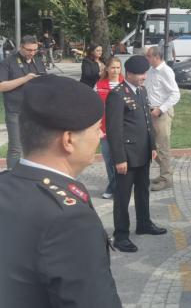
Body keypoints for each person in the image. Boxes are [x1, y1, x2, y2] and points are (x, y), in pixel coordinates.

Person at [0, 75, 122, 307]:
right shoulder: (70, 220)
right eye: (97, 128)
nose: (101, 135)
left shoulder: (6, 184)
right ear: (68, 140)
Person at [106, 55, 166, 253]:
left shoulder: (141, 90)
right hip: (127, 156)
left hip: (143, 152)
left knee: (143, 190)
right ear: (129, 74)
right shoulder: (117, 95)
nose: (144, 77)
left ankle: (144, 223)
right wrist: (119, 158)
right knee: (122, 197)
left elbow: (147, 121)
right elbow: (114, 130)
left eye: (145, 73)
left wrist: (152, 146)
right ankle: (121, 235)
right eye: (141, 74)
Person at [0, 35, 47, 169]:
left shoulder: (38, 61)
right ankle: (12, 176)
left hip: (34, 110)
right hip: (15, 111)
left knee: (36, 146)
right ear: (21, 47)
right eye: (29, 50)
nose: (32, 53)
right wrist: (25, 79)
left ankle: (32, 175)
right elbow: (2, 86)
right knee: (16, 147)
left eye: (35, 50)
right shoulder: (7, 62)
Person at [145, 46, 181, 191]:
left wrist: (160, 109)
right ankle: (165, 173)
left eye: (148, 56)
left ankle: (166, 178)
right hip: (150, 111)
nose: (146, 58)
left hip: (161, 113)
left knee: (162, 147)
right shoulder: (151, 70)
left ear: (156, 57)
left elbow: (175, 94)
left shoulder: (166, 71)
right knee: (151, 146)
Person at [95, 56, 124, 199]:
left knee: (121, 159)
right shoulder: (99, 85)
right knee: (109, 160)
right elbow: (94, 108)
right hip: (105, 130)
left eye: (118, 67)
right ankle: (113, 186)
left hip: (122, 130)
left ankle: (121, 186)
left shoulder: (125, 84)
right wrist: (97, 128)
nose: (115, 71)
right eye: (113, 67)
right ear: (107, 68)